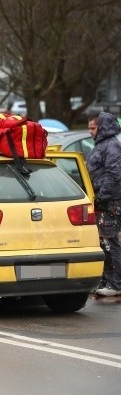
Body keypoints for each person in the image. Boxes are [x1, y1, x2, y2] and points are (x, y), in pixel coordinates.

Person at [86, 112, 121, 296]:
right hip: (102, 199)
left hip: (109, 201)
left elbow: (114, 175)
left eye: (93, 128)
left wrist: (101, 196)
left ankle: (116, 284)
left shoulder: (111, 146)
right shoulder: (102, 145)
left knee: (109, 241)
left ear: (103, 127)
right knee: (104, 241)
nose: (90, 132)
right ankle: (107, 281)